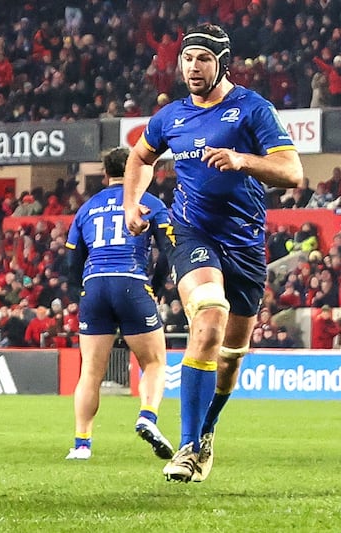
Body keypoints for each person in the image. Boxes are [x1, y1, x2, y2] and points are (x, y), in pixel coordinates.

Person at [123, 24, 304, 483]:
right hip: (192, 232)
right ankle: (186, 448)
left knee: (230, 359)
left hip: (245, 243)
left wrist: (244, 159)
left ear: (222, 62)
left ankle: (204, 436)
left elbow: (293, 171)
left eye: (202, 59)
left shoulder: (251, 109)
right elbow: (140, 158)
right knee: (208, 314)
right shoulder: (170, 117)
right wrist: (131, 204)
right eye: (187, 59)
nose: (192, 67)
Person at [64, 146, 174, 462]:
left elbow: (72, 260)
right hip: (131, 282)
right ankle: (147, 417)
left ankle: (82, 444)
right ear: (135, 169)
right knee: (153, 362)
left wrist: (80, 295)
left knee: (90, 373)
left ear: (104, 173)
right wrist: (155, 288)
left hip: (95, 285)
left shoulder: (87, 208)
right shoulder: (150, 204)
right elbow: (166, 250)